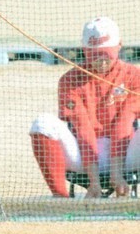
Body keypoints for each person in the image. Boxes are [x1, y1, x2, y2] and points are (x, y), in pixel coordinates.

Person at [30, 16, 140, 198]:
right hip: (83, 154)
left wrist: (117, 173)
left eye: (107, 55)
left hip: (127, 153)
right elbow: (82, 128)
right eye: (95, 55)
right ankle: (61, 199)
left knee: (127, 120)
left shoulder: (134, 75)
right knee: (42, 124)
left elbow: (125, 121)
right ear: (85, 50)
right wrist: (93, 181)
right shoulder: (69, 80)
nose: (101, 61)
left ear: (119, 46)